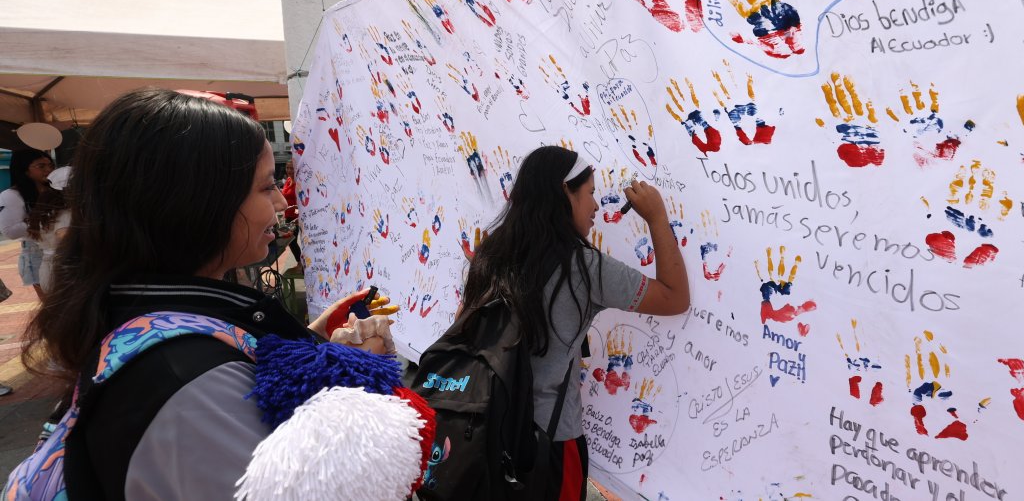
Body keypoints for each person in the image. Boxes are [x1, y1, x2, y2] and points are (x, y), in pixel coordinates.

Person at [18, 89, 400, 497]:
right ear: (196, 203)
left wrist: (313, 345)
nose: (279, 203)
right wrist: (356, 374)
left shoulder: (155, 326)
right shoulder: (188, 384)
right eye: (267, 186)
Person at [457, 146, 690, 500]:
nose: (596, 205)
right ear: (565, 191)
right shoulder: (582, 267)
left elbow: (463, 330)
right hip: (548, 445)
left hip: (484, 430)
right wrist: (657, 217)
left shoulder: (491, 253)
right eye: (591, 193)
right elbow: (675, 297)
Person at [0, 148, 55, 301]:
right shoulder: (11, 196)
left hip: (63, 252)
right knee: (53, 307)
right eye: (41, 166)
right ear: (24, 170)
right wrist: (47, 218)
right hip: (37, 256)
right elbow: (10, 231)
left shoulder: (54, 191)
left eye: (50, 165)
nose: (48, 170)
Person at [25, 166, 71, 295]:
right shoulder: (65, 214)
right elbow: (65, 237)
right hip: (64, 270)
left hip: (47, 268)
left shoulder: (45, 213)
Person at [280, 158, 303, 274]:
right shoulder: (288, 180)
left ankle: (300, 264)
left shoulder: (299, 183)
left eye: (291, 168)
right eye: (287, 168)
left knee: (292, 240)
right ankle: (300, 263)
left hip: (295, 217)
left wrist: (298, 217)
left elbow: (301, 201)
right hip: (288, 216)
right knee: (290, 241)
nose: (289, 170)